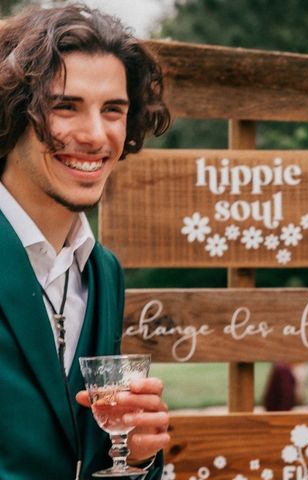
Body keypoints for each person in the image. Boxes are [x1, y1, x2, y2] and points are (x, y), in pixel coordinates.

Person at [0, 5, 171, 479]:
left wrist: (135, 457)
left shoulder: (104, 272)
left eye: (113, 110)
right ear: (12, 111)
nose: (96, 136)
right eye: (64, 106)